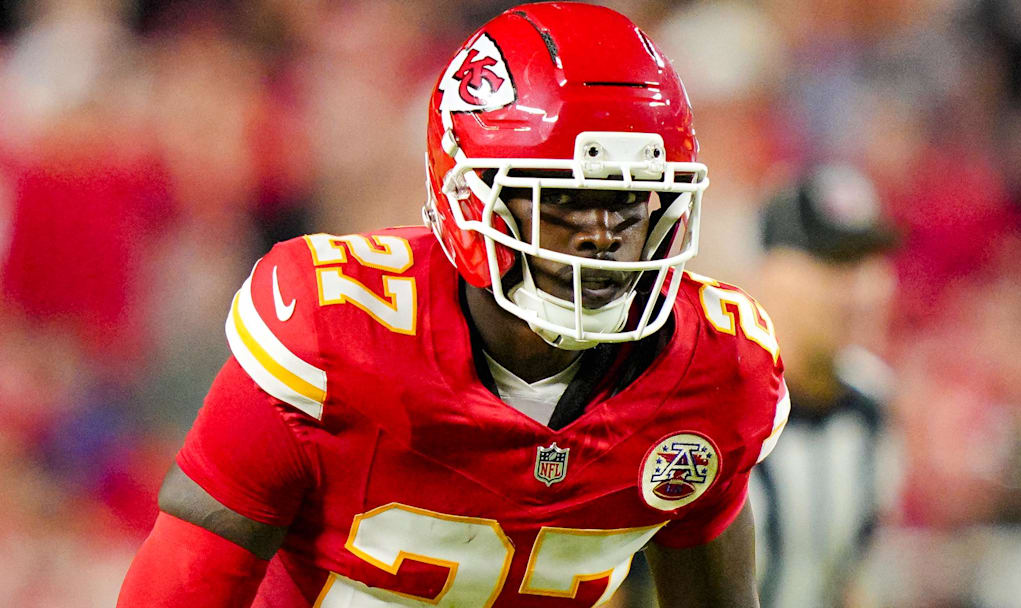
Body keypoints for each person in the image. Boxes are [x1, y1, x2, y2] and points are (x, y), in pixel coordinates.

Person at [118, 4, 788, 607]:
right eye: (561, 197)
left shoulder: (714, 372)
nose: (602, 232)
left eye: (628, 198)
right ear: (470, 202)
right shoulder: (334, 331)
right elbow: (181, 586)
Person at [747, 164, 898, 608]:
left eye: (871, 262)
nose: (865, 288)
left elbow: (849, 579)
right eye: (836, 263)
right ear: (772, 270)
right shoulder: (707, 408)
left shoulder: (871, 406)